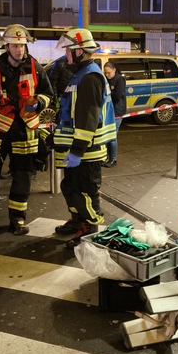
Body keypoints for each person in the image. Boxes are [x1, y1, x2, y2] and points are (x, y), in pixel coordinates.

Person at [0, 24, 53, 238]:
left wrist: (38, 104)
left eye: (22, 45)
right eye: (15, 46)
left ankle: (18, 219)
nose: (19, 50)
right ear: (6, 46)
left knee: (23, 176)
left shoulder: (34, 67)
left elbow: (48, 94)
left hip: (25, 130)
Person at [52, 28, 116, 247]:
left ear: (80, 51)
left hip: (87, 151)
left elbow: (88, 117)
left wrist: (78, 150)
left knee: (86, 192)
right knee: (70, 188)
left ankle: (89, 232)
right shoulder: (80, 74)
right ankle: (78, 221)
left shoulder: (89, 77)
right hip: (78, 149)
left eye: (69, 50)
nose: (66, 54)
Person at [102, 61, 126, 168]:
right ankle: (108, 157)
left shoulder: (119, 80)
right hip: (109, 111)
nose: (107, 75)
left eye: (108, 73)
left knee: (112, 136)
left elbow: (117, 97)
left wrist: (108, 94)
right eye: (105, 73)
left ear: (114, 70)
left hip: (117, 111)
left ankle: (113, 158)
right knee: (108, 135)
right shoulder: (106, 80)